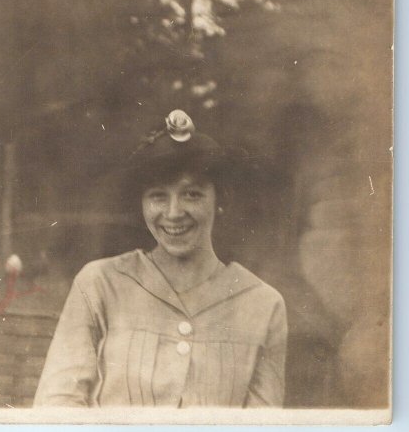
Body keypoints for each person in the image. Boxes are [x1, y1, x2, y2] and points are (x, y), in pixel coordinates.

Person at [34, 110, 287, 408]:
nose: (173, 212)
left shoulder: (261, 304)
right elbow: (57, 408)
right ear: (141, 204)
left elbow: (264, 424)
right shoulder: (100, 284)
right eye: (158, 196)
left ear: (221, 200)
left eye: (192, 194)